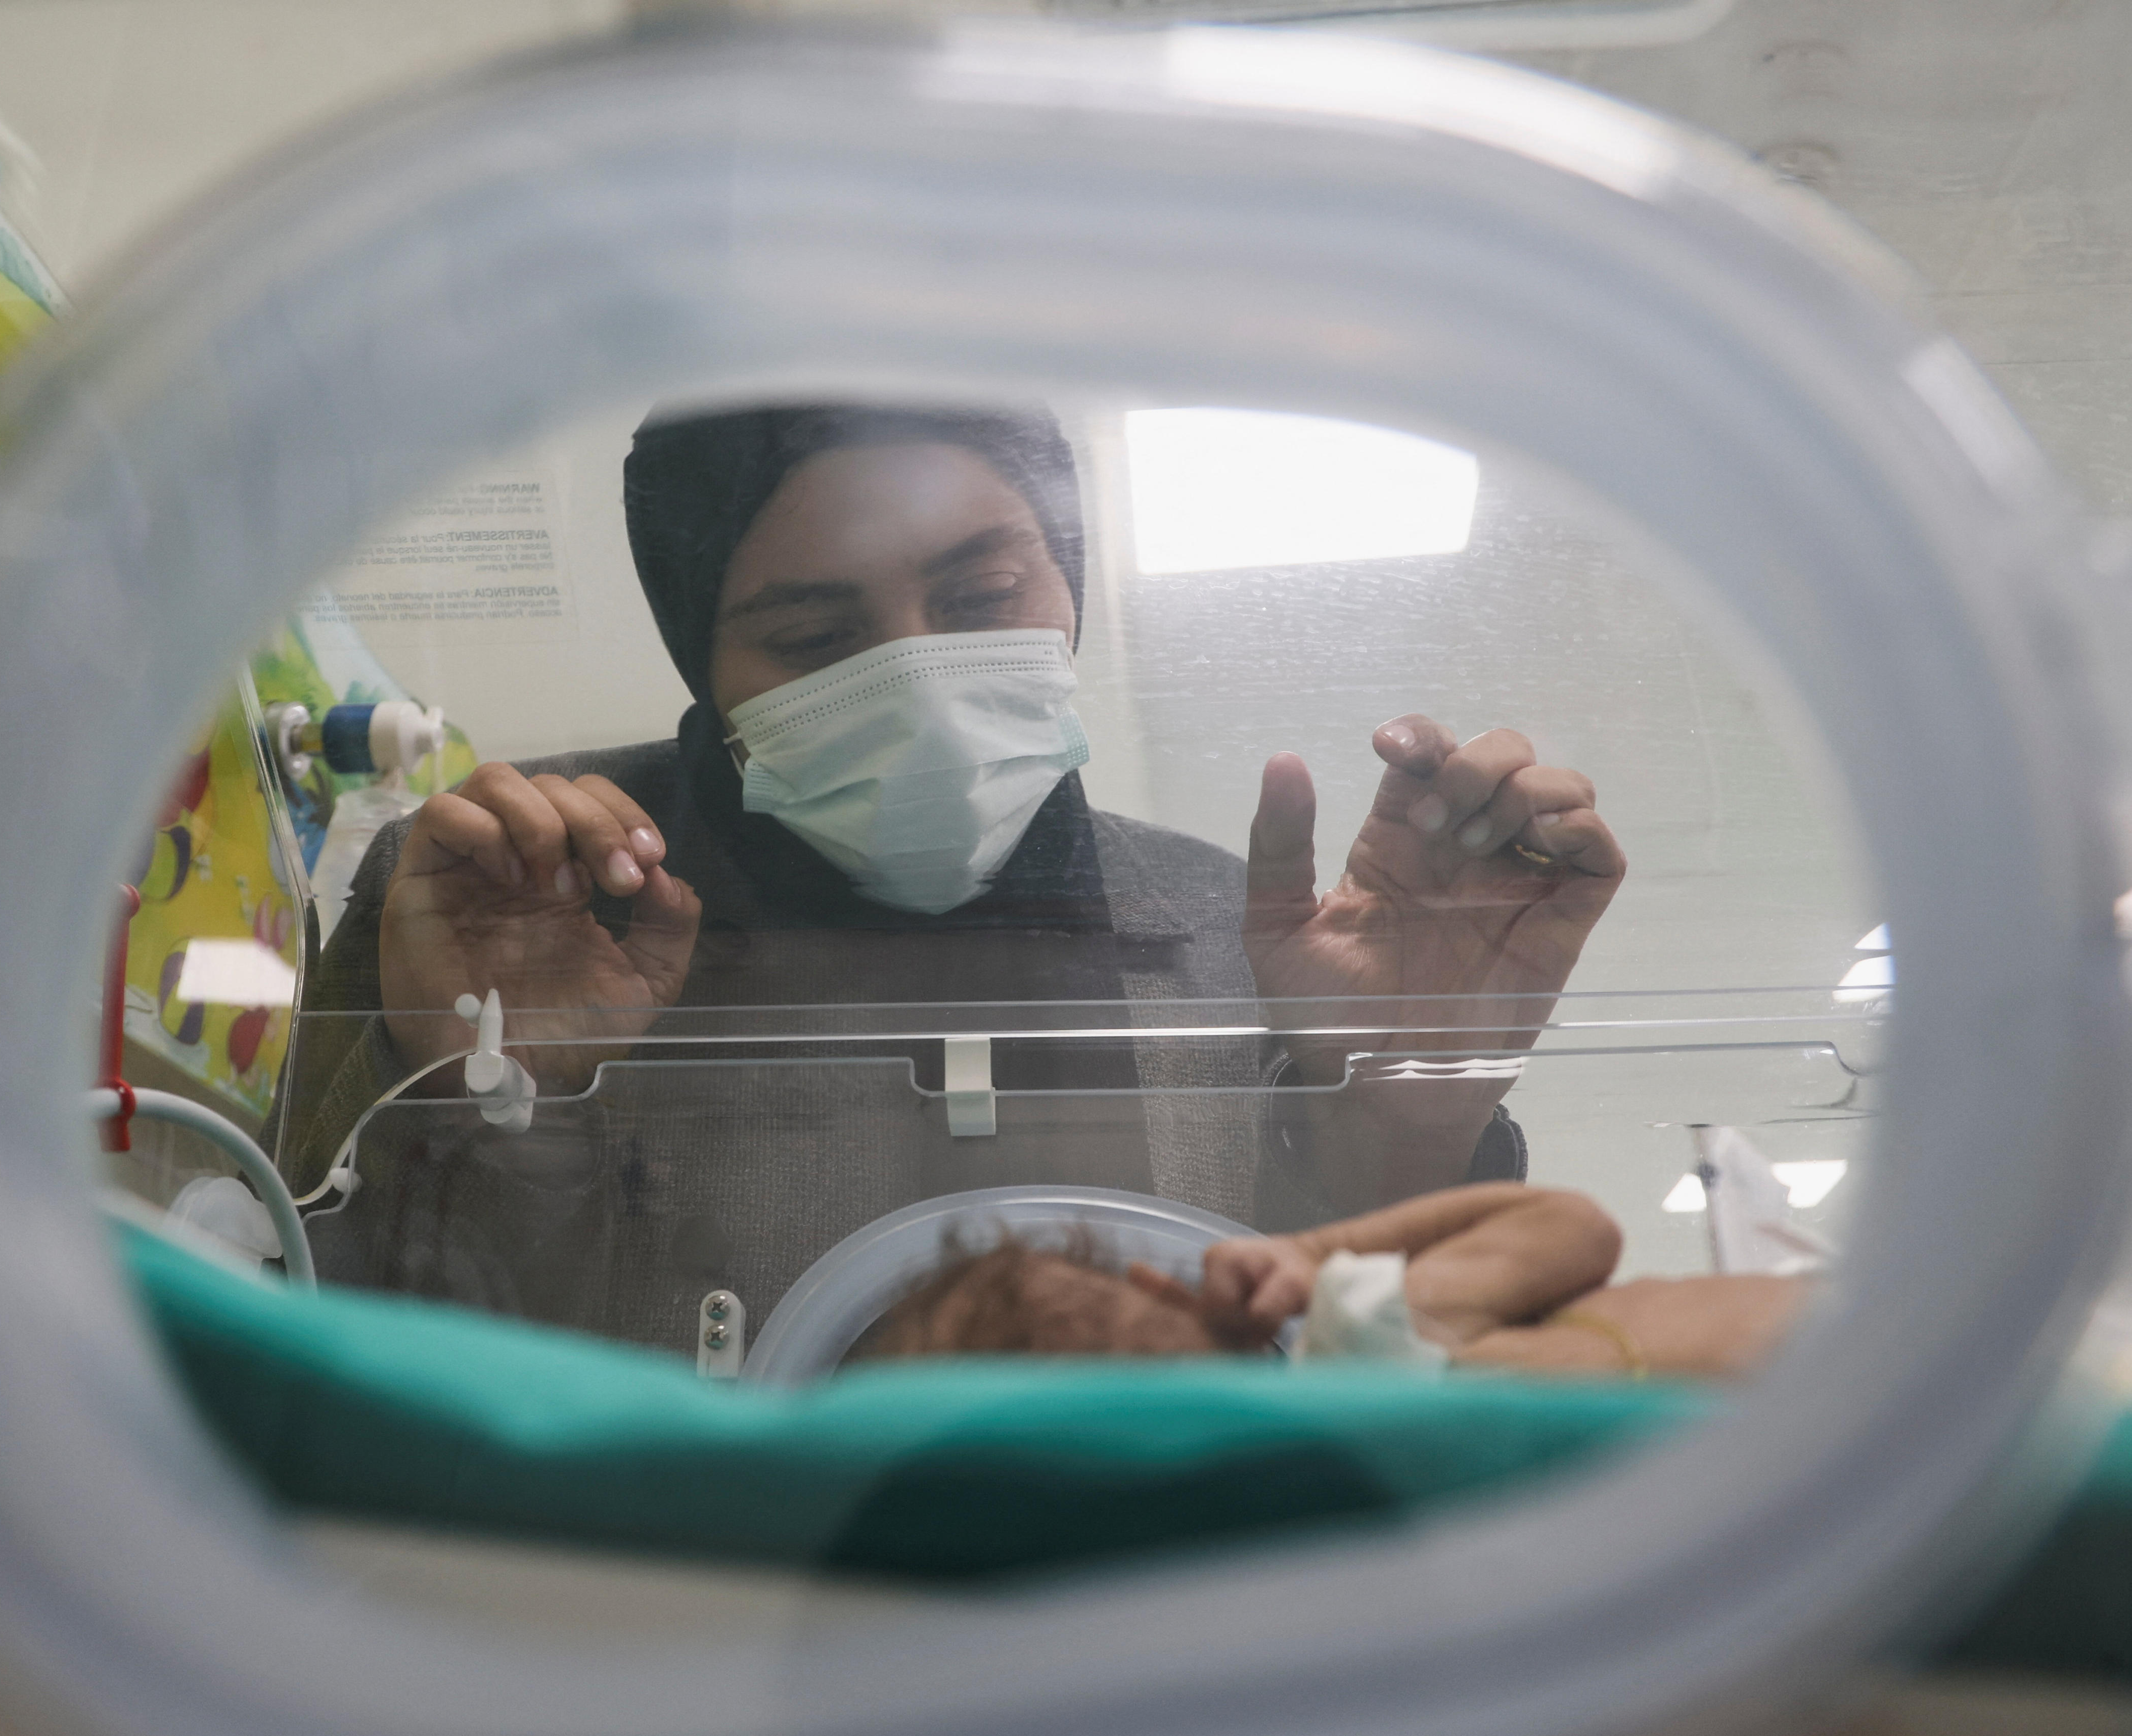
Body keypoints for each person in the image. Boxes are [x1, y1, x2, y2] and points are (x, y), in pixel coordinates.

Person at [281, 402, 1625, 1351]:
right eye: (814, 635)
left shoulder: (1233, 933)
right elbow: (346, 1354)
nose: (915, 678)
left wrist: (1399, 1111)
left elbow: (1386, 1394)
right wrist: (488, 1087)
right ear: (709, 666)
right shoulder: (512, 892)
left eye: (981, 600)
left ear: (1070, 585)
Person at [848, 1183, 1809, 1380]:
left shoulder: (1365, 1361)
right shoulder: (1364, 1356)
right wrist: (1314, 1253)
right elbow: (1572, 1227)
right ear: (1179, 1292)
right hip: (1829, 1354)